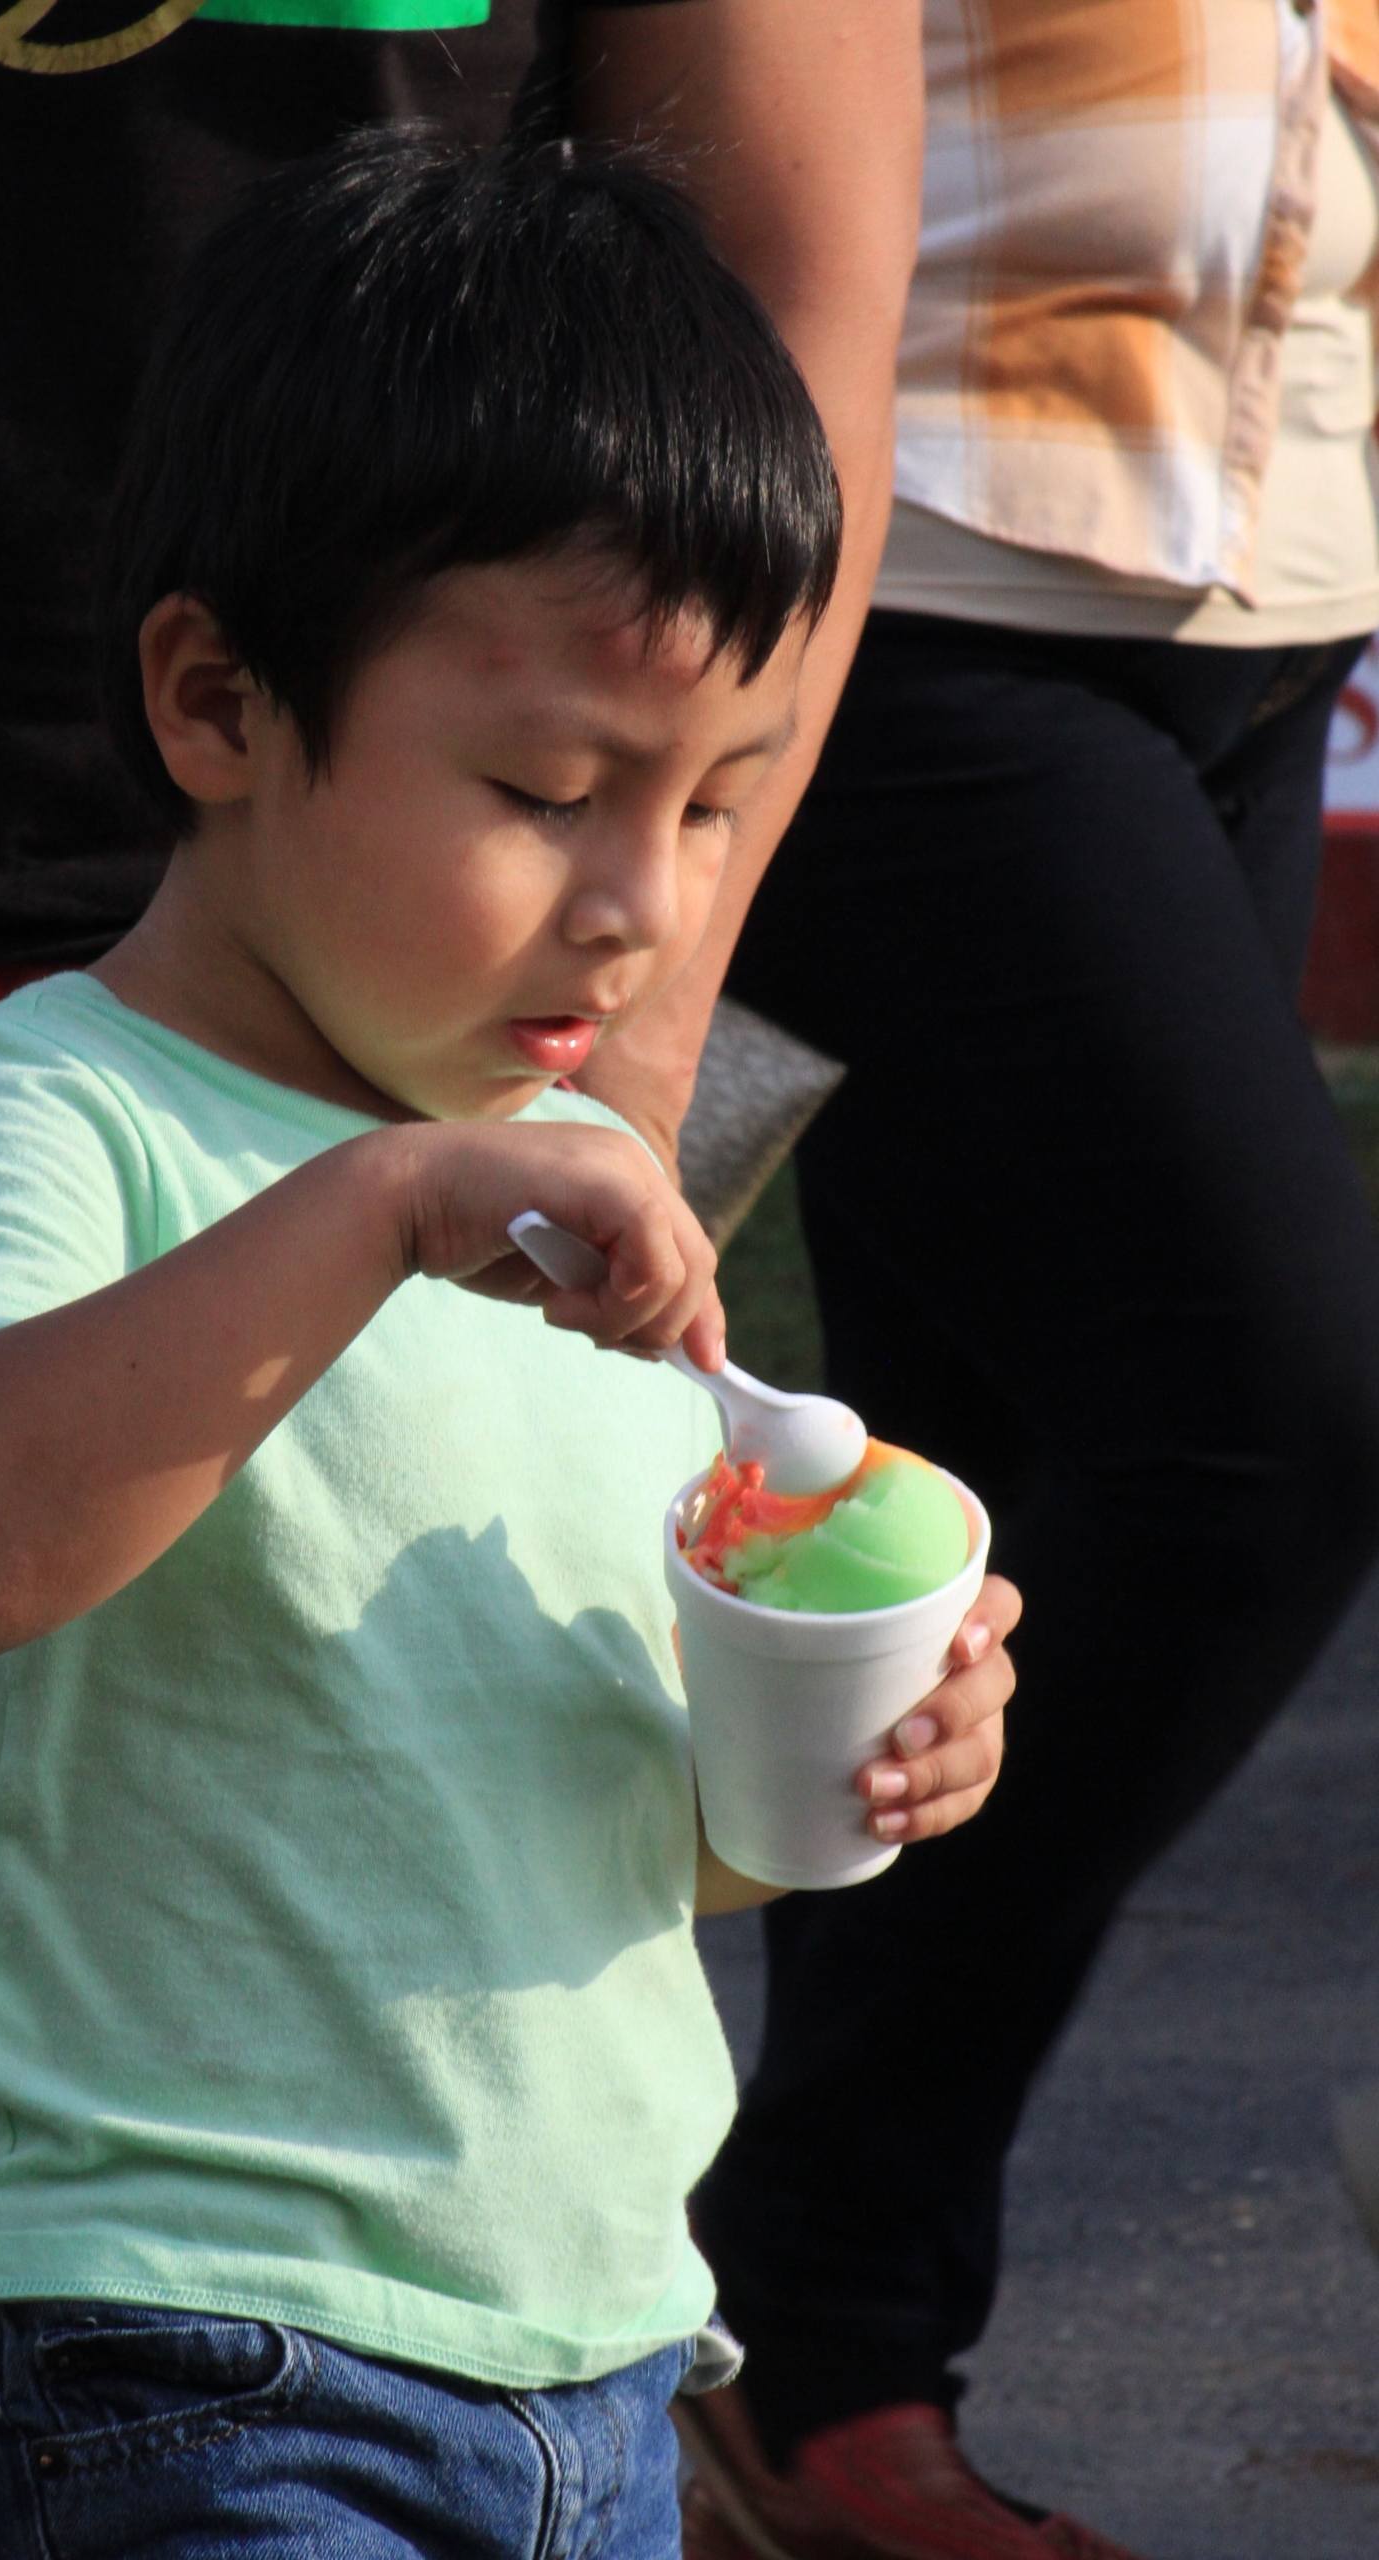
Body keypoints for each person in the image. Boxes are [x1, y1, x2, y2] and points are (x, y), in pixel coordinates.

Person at [0, 5, 923, 2544]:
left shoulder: (575, 1193)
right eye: (541, 791)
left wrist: (848, 1749)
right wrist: (373, 1212)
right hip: (174, 2343)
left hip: (589, 2347)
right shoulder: (63, 1104)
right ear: (214, 697)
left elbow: (558, 1790)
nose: (645, 897)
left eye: (713, 802)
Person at [673, 3, 1379, 2555]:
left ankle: (828, 2369)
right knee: (1260, 1427)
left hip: (1270, 546)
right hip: (909, 547)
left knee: (964, 1480)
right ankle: (742, 2269)